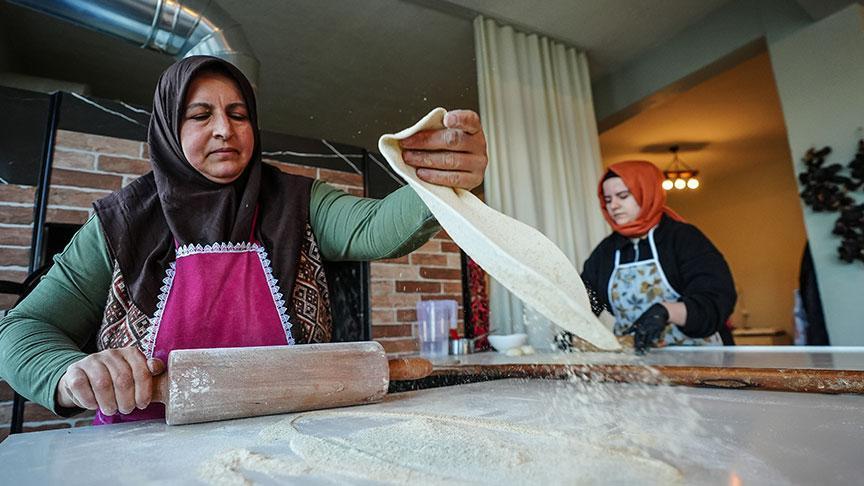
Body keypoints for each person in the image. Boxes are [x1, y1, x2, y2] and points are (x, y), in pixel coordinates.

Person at [0, 56, 487, 423]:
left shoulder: (295, 200)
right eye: (200, 115)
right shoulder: (122, 221)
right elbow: (21, 330)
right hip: (143, 454)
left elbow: (374, 227)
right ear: (169, 128)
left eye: (238, 114)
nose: (224, 130)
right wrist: (71, 375)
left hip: (288, 437)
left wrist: (437, 179)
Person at [580, 160, 736, 354]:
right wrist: (571, 328)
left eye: (622, 196)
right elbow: (587, 299)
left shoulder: (682, 238)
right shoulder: (606, 252)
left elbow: (717, 298)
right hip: (635, 363)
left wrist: (666, 311)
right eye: (608, 200)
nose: (614, 206)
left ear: (646, 192)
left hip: (699, 357)